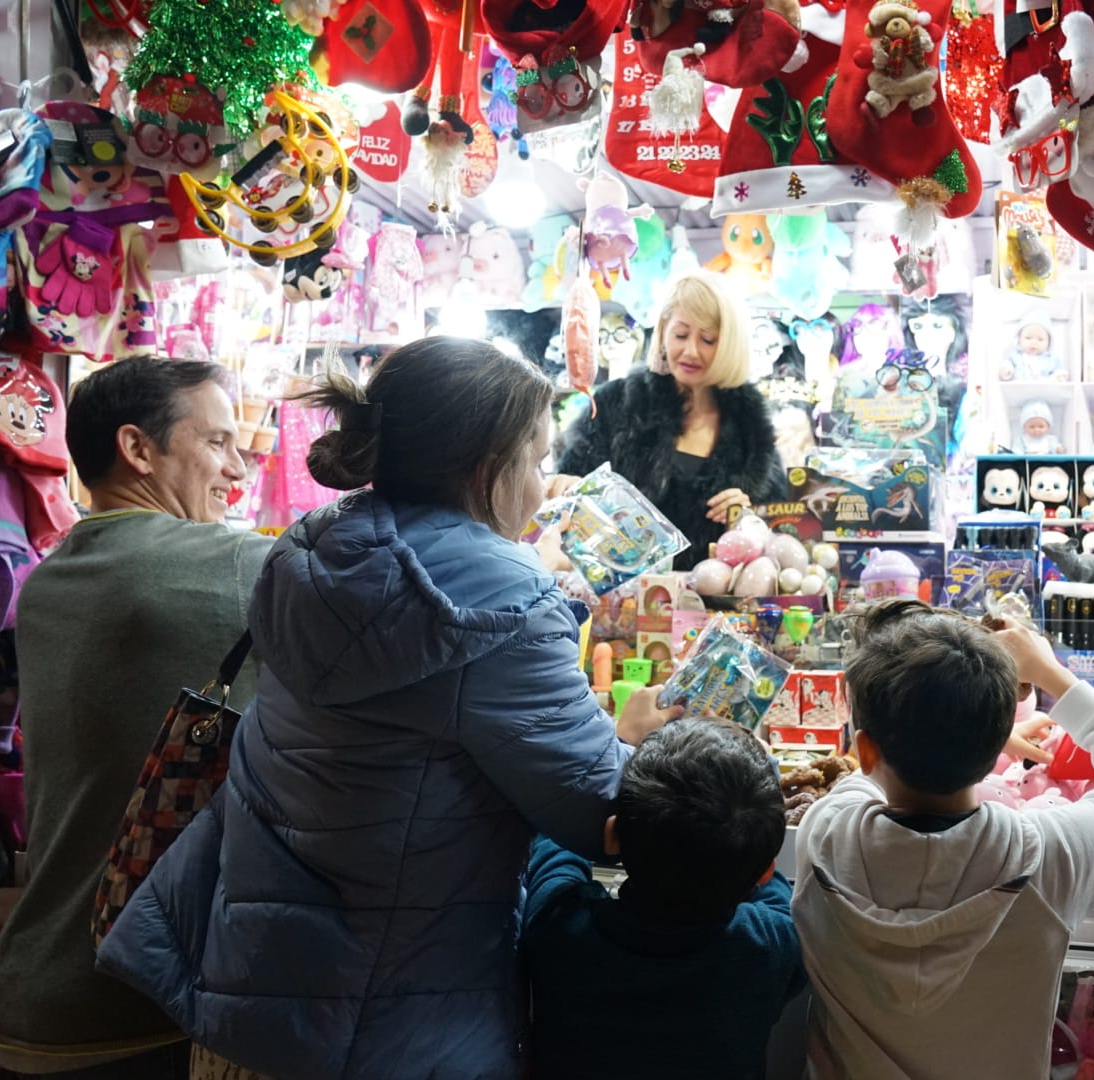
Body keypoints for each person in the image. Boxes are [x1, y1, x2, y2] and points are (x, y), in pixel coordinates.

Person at [95, 337, 680, 1080]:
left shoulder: (312, 548)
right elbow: (601, 813)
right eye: (535, 461)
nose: (543, 487)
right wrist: (628, 743)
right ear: (484, 468)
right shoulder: (505, 603)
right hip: (389, 1025)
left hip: (249, 1005)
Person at [0, 358, 269, 1078]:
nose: (237, 469)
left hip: (36, 984)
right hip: (129, 1006)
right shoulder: (223, 564)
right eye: (217, 443)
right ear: (137, 449)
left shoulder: (54, 575)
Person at [792, 600, 1094, 1079]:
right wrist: (1051, 674)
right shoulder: (1045, 857)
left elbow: (868, 772)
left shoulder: (825, 834)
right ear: (996, 746)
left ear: (865, 748)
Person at [521, 719, 804, 1079]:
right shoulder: (768, 945)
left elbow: (556, 837)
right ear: (764, 871)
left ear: (612, 837)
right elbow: (776, 890)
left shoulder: (559, 925)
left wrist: (620, 740)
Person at [556, 272, 785, 570]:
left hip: (718, 606)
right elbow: (568, 498)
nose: (690, 351)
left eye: (708, 339)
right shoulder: (617, 405)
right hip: (623, 604)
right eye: (680, 335)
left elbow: (782, 525)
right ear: (663, 332)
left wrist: (747, 516)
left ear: (729, 344)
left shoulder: (752, 429)